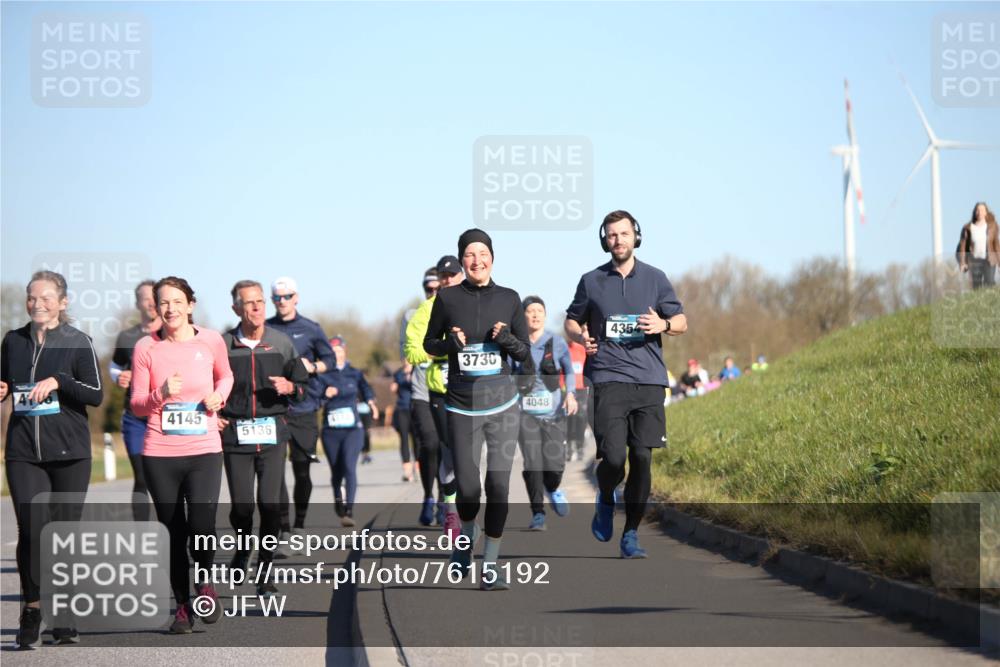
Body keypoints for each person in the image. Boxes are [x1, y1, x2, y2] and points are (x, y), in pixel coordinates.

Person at [565, 210, 687, 559]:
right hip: (607, 377)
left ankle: (631, 533)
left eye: (624, 233)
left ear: (636, 236)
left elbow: (681, 320)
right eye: (611, 235)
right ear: (604, 240)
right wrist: (581, 334)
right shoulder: (591, 281)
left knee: (643, 460)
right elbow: (572, 321)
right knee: (615, 457)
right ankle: (606, 495)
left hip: (648, 379)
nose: (618, 240)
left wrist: (662, 325)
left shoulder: (655, 278)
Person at [424, 229, 533, 590]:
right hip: (461, 405)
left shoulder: (509, 298)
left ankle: (490, 565)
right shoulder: (448, 298)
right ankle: (465, 540)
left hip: (503, 405)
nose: (476, 260)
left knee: (499, 486)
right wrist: (451, 345)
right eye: (469, 254)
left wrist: (505, 339)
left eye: (482, 253)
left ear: (492, 258)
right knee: (469, 489)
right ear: (462, 259)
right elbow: (429, 344)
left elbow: (523, 353)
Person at [2, 270, 103, 648]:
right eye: (32, 297)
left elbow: (95, 395)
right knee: (30, 531)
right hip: (23, 451)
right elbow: (6, 385)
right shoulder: (12, 341)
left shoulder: (78, 342)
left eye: (45, 297)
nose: (37, 303)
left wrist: (61, 380)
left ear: (62, 302)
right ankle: (31, 609)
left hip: (70, 455)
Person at [130, 276, 234, 634]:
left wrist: (219, 396)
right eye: (163, 302)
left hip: (204, 448)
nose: (170, 308)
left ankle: (205, 585)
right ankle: (182, 607)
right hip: (160, 452)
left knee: (202, 526)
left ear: (190, 304)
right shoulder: (146, 347)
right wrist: (160, 393)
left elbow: (226, 377)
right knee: (173, 533)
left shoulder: (211, 341)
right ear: (155, 308)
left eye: (177, 301)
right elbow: (138, 406)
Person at [219, 280, 308, 596]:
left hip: (272, 433)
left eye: (260, 301)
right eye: (248, 303)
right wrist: (215, 413)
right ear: (236, 309)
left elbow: (302, 384)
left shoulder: (281, 343)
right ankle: (243, 549)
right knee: (242, 507)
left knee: (270, 505)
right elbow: (208, 385)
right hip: (235, 434)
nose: (256, 307)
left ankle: (266, 568)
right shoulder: (223, 345)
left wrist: (291, 388)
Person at [266, 276, 335, 553]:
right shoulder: (266, 329)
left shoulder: (311, 328)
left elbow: (330, 361)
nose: (281, 302)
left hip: (305, 408)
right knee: (275, 471)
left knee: (301, 470)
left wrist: (312, 366)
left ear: (296, 298)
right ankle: (283, 530)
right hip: (276, 409)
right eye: (277, 297)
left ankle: (299, 527)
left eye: (286, 296)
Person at [405, 256, 465, 534]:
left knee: (470, 454)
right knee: (443, 449)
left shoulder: (474, 304)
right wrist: (443, 349)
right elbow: (412, 353)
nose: (448, 281)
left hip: (472, 389)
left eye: (454, 275)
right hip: (438, 391)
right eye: (444, 276)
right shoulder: (424, 311)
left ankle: (460, 503)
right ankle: (446, 505)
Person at [513, 296, 577, 531]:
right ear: (523, 316)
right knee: (532, 463)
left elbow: (569, 370)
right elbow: (508, 374)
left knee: (554, 465)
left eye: (540, 310)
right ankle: (537, 513)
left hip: (553, 414)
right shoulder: (516, 343)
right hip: (525, 414)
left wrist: (570, 394)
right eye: (531, 311)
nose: (536, 314)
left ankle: (553, 488)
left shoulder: (556, 341)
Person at [110, 279, 162, 521]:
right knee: (142, 477)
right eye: (145, 298)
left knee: (165, 478)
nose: (151, 302)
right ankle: (144, 535)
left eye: (154, 296)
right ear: (137, 303)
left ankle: (173, 531)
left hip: (166, 416)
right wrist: (119, 376)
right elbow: (115, 366)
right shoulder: (127, 337)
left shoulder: (172, 334)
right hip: (136, 417)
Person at [317, 336, 378, 527]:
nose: (338, 354)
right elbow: (312, 396)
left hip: (353, 429)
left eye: (340, 351)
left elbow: (366, 390)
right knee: (337, 471)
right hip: (330, 431)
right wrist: (324, 394)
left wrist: (371, 403)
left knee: (349, 467)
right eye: (333, 352)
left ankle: (349, 508)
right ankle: (338, 499)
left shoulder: (355, 373)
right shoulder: (323, 374)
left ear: (345, 352)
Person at [403, 267, 446, 525]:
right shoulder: (412, 315)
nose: (432, 293)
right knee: (428, 444)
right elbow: (406, 352)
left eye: (436, 289)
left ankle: (443, 498)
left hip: (446, 389)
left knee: (445, 447)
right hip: (421, 390)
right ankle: (428, 495)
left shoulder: (452, 311)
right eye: (428, 289)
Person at [957, 201, 999, 290]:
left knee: (990, 282)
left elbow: (996, 244)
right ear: (974, 212)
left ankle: (991, 302)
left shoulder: (992, 226)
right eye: (977, 210)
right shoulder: (968, 228)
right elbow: (962, 247)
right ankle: (979, 303)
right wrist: (962, 262)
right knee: (977, 287)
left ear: (986, 212)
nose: (979, 212)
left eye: (982, 210)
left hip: (989, 260)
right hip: (974, 261)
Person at [565, 340, 590, 462]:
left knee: (581, 417)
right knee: (569, 419)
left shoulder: (582, 349)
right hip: (566, 389)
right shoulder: (562, 348)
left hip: (581, 389)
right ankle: (569, 446)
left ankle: (579, 446)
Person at [390, 361, 416, 482]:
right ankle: (407, 471)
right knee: (404, 439)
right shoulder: (398, 373)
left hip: (416, 408)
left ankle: (418, 467)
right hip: (402, 409)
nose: (406, 360)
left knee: (417, 439)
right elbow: (395, 387)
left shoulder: (417, 370)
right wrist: (394, 387)